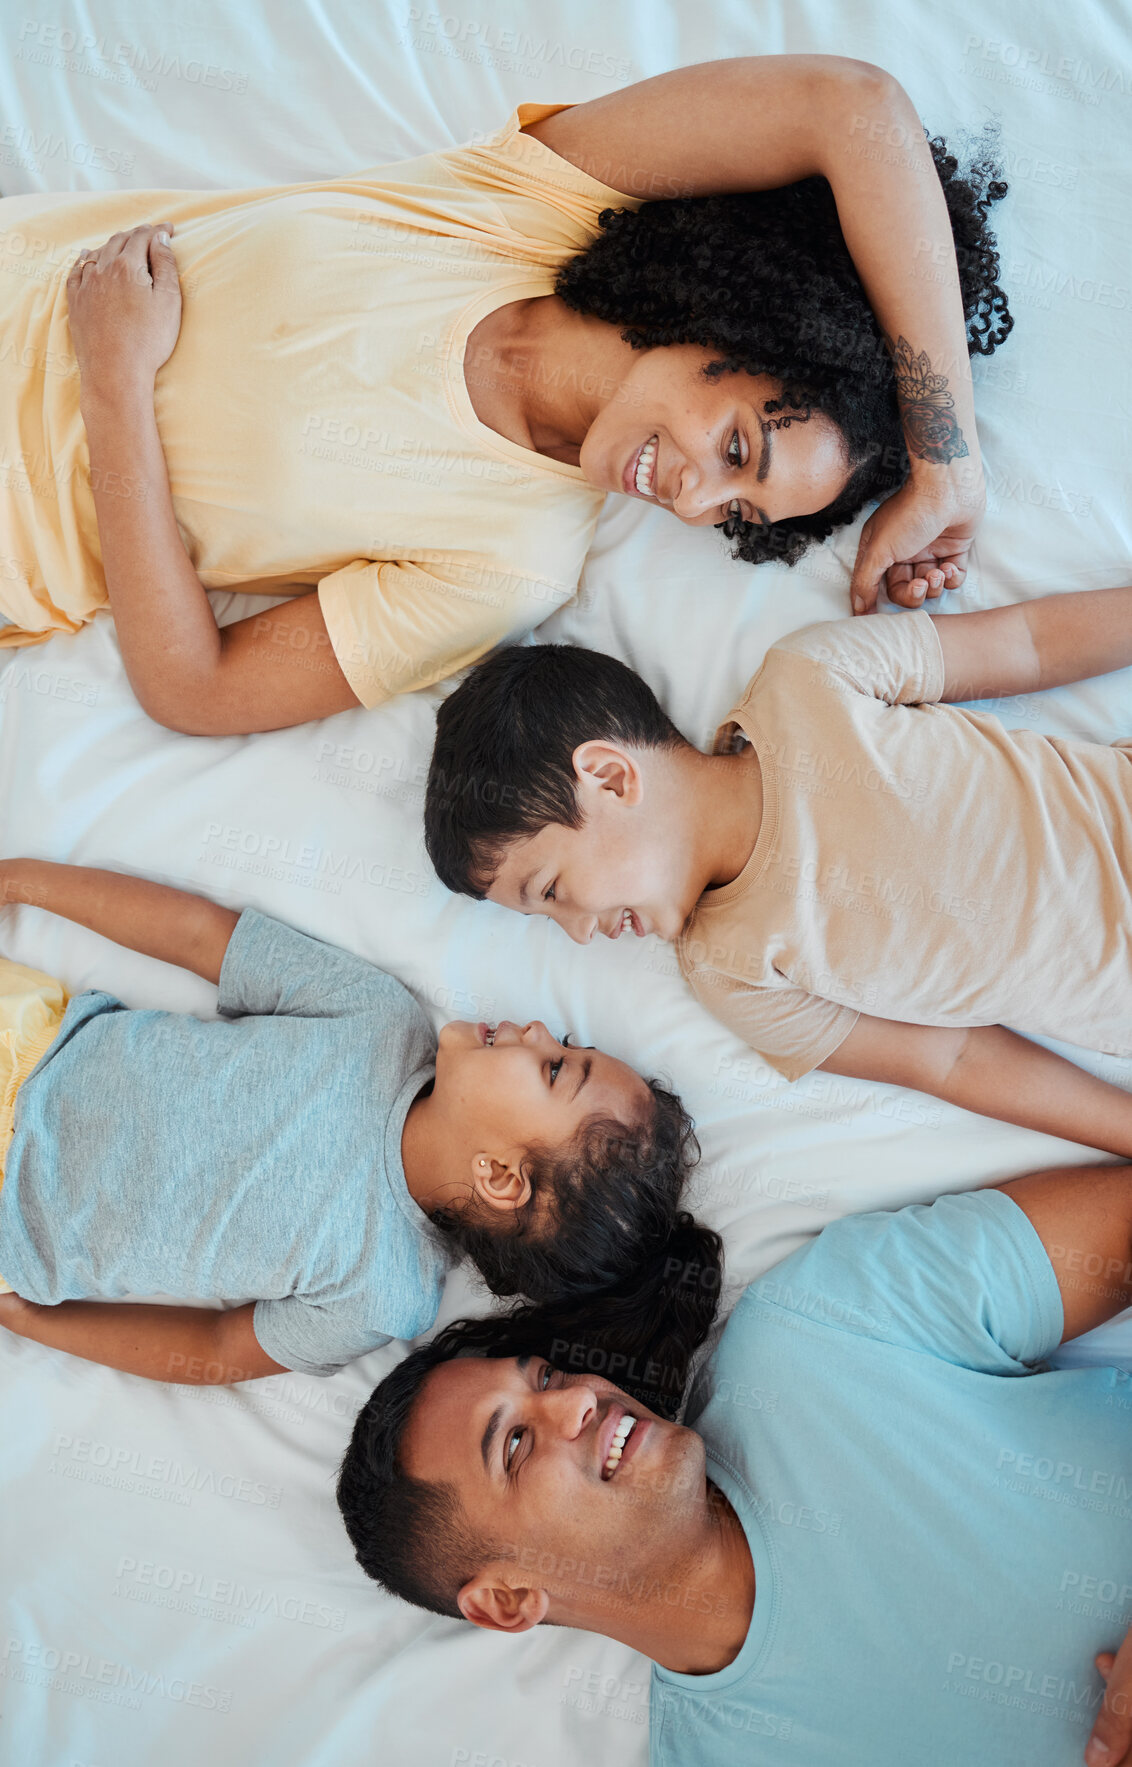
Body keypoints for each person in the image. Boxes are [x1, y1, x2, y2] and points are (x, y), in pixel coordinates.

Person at [0, 57, 1011, 732]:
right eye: (736, 449)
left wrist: (116, 380)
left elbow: (195, 689)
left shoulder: (508, 565)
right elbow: (852, 110)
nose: (694, 501)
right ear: (738, 326)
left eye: (734, 514)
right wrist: (945, 460)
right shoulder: (530, 208)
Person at [337, 1162, 1132, 1767]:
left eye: (544, 1376)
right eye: (514, 1445)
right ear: (509, 1598)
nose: (577, 1398)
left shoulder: (815, 1334)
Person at [424, 584, 1132, 1155]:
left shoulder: (810, 682)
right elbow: (954, 1058)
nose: (577, 934)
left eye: (552, 892)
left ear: (609, 777)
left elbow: (1026, 645)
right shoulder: (731, 973)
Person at [0, 858, 707, 1383]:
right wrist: (21, 881)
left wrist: (37, 1322)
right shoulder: (379, 1019)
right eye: (567, 1041)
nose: (537, 1028)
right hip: (29, 1041)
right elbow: (198, 934)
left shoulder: (382, 1294)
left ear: (498, 1175)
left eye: (555, 1068)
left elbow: (216, 1351)